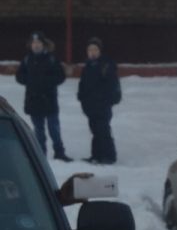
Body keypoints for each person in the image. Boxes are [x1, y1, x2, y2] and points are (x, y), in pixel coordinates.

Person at [14, 33, 69, 161]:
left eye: (38, 43)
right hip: (33, 100)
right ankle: (40, 154)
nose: (36, 45)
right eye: (34, 43)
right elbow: (19, 76)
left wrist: (47, 82)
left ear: (43, 45)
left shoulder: (51, 59)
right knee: (38, 130)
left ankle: (59, 152)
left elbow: (60, 76)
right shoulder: (27, 59)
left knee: (53, 128)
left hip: (49, 100)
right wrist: (30, 80)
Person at [76, 37, 120, 165]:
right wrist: (82, 98)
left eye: (95, 49)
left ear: (100, 51)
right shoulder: (88, 66)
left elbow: (112, 85)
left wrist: (107, 100)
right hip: (90, 105)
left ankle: (109, 156)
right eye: (90, 50)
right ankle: (96, 155)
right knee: (95, 130)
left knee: (103, 130)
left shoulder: (106, 65)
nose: (92, 52)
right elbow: (83, 85)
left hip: (103, 104)